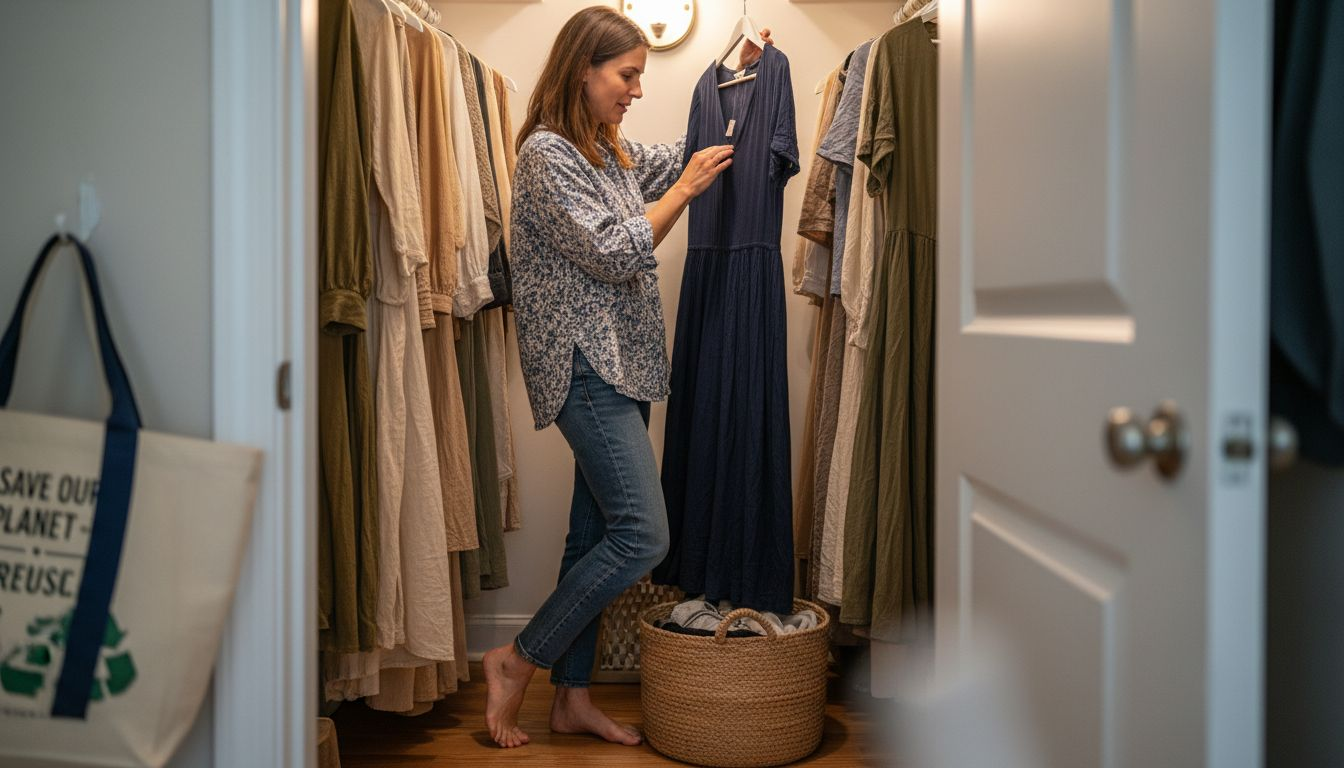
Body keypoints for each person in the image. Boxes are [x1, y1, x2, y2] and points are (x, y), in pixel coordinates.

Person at [483, 4, 773, 750]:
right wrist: (681, 197)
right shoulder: (547, 156)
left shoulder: (605, 151)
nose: (636, 90)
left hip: (625, 363)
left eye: (641, 76)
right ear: (583, 69)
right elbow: (615, 250)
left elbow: (681, 153)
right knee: (643, 535)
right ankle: (518, 658)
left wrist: (735, 76)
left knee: (595, 535)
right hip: (585, 366)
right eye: (627, 75)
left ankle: (571, 699)